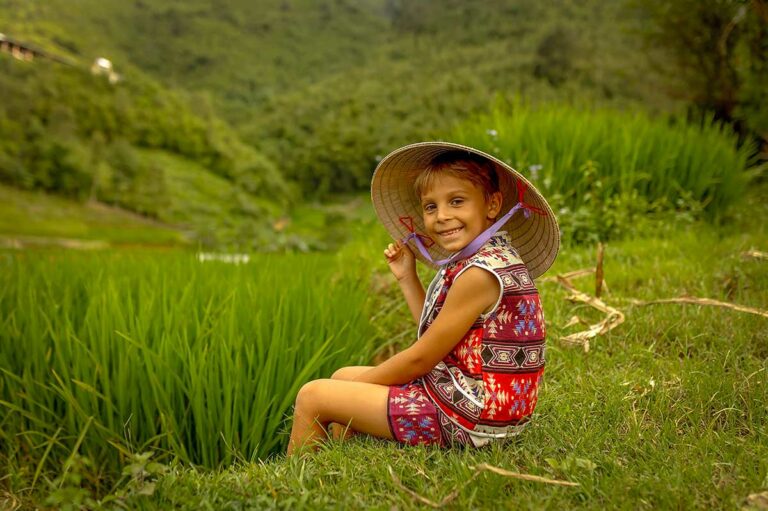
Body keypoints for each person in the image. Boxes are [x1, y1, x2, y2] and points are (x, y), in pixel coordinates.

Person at [287, 142, 559, 455]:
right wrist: (407, 277)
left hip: (471, 418)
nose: (442, 216)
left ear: (492, 205)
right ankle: (340, 460)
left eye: (456, 201)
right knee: (340, 377)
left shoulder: (478, 274)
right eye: (431, 207)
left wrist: (360, 385)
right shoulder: (489, 257)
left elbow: (421, 358)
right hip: (484, 405)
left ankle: (301, 479)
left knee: (314, 395)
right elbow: (438, 338)